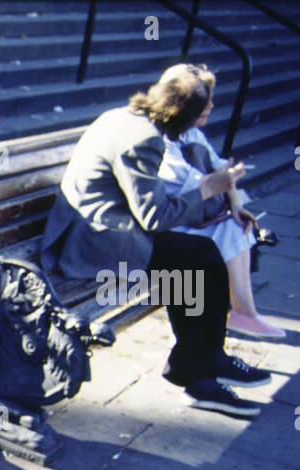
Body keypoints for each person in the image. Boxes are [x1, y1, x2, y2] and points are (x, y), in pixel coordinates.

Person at [40, 67, 270, 417]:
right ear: (180, 116)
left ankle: (203, 362)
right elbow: (155, 217)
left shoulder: (127, 116)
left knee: (198, 258)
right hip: (95, 241)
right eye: (197, 119)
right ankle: (199, 372)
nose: (196, 129)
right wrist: (208, 187)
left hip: (109, 226)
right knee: (198, 258)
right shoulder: (142, 139)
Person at [157, 63, 285, 339]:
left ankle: (244, 313)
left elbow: (220, 171)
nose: (211, 105)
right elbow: (191, 185)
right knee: (216, 245)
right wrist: (219, 181)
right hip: (169, 220)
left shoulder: (191, 133)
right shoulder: (162, 140)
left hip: (190, 212)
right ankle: (210, 339)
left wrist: (236, 204)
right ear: (180, 103)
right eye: (203, 100)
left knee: (236, 227)